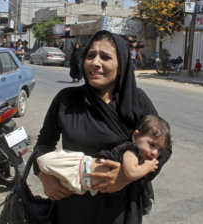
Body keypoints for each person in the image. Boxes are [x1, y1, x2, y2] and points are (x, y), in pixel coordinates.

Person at [33, 30, 172, 224]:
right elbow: (43, 145)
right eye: (90, 55)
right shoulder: (67, 100)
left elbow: (164, 148)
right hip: (73, 209)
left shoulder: (137, 102)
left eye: (105, 57)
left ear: (121, 65)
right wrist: (43, 175)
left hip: (121, 210)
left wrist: (128, 178)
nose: (95, 63)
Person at [37, 115, 171, 196]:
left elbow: (167, 146)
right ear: (135, 136)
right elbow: (131, 172)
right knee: (46, 163)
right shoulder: (132, 151)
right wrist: (43, 176)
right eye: (152, 145)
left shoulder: (139, 100)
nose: (155, 153)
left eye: (159, 150)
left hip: (90, 188)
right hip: (80, 171)